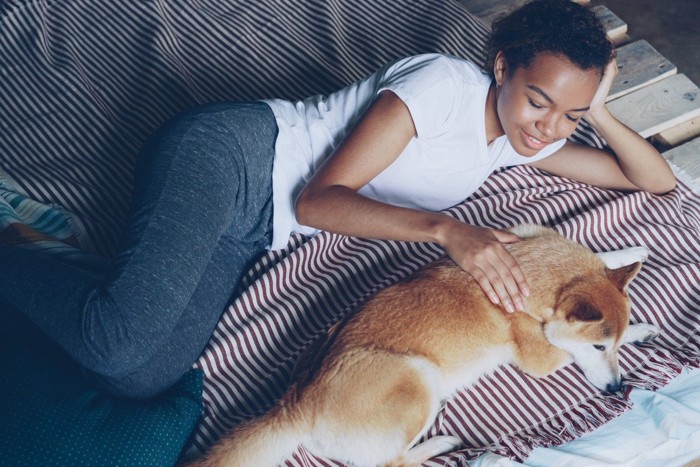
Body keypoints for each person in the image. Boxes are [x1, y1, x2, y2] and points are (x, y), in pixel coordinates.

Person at [1, 0, 676, 399]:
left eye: (569, 115)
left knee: (139, 376)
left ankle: (46, 247)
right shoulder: (443, 87)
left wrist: (604, 113)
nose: (550, 126)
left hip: (257, 228)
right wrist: (448, 231)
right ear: (502, 67)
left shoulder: (523, 140)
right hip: (230, 158)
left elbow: (655, 181)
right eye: (539, 100)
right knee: (116, 343)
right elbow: (322, 200)